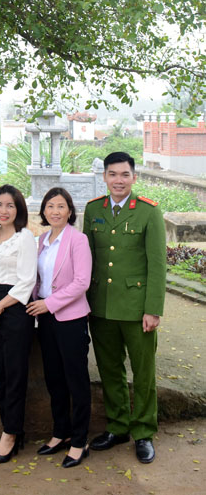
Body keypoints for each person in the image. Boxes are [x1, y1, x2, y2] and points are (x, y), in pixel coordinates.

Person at [83, 151, 166, 464]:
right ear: (104, 177)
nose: (118, 180)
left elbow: (157, 265)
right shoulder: (93, 210)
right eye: (113, 174)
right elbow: (87, 258)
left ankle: (143, 432)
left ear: (134, 177)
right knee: (110, 369)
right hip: (100, 306)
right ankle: (117, 426)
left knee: (143, 372)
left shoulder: (148, 212)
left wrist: (153, 308)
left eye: (125, 174)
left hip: (137, 308)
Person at [26, 187, 92, 468]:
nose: (55, 211)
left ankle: (79, 441)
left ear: (69, 211)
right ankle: (60, 433)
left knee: (75, 380)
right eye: (50, 206)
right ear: (44, 211)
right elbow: (35, 278)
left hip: (71, 319)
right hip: (45, 319)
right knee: (54, 378)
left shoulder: (78, 240)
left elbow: (81, 282)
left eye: (61, 206)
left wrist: (49, 303)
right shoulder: (40, 240)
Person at [0, 184, 37, 465]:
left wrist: (0, 306)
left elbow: (27, 281)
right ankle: (10, 428)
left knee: (15, 374)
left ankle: (11, 434)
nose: (4, 210)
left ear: (18, 209)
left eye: (10, 206)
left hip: (15, 308)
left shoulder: (25, 238)